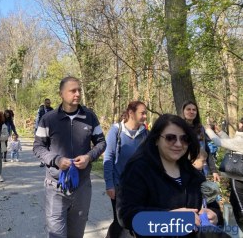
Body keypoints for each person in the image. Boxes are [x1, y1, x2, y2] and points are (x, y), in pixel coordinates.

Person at [117, 114, 223, 237]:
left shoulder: (194, 174)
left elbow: (212, 206)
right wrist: (168, 218)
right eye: (170, 138)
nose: (178, 144)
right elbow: (126, 215)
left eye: (184, 139)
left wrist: (215, 216)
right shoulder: (138, 169)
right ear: (156, 139)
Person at [33, 76, 106, 238]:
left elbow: (101, 143)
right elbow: (38, 147)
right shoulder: (48, 119)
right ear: (61, 94)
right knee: (56, 235)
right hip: (55, 187)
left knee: (76, 235)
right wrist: (56, 160)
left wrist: (89, 157)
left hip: (82, 187)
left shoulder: (90, 117)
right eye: (73, 90)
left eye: (79, 90)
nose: (77, 94)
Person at [103, 100, 148, 238]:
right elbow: (108, 157)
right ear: (131, 113)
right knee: (120, 221)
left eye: (146, 113)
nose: (145, 116)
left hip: (139, 186)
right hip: (119, 186)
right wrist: (109, 184)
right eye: (142, 113)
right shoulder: (116, 130)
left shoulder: (146, 133)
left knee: (133, 220)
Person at [205, 118, 243, 226]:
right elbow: (231, 142)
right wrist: (219, 132)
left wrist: (208, 130)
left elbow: (219, 142)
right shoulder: (239, 139)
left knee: (239, 201)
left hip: (238, 176)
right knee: (234, 200)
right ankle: (235, 223)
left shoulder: (241, 140)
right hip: (238, 176)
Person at [181, 100, 220, 182]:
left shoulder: (200, 128)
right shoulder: (178, 127)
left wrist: (214, 171)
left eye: (194, 110)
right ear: (183, 111)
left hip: (201, 170)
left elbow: (207, 150)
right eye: (188, 109)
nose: (191, 112)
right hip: (184, 170)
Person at [35, 98, 53, 167]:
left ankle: (48, 159)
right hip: (42, 128)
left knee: (49, 144)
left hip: (49, 128)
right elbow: (37, 119)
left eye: (49, 103)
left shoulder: (52, 110)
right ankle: (42, 161)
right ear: (45, 103)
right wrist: (37, 128)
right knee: (42, 144)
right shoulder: (40, 110)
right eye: (47, 103)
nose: (48, 104)